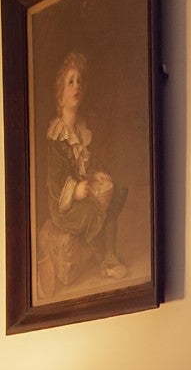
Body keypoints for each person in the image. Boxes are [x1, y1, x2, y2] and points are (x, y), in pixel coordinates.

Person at [38, 50, 130, 293]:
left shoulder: (81, 129)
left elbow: (82, 170)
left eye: (79, 81)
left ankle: (110, 253)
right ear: (60, 97)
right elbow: (57, 182)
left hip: (78, 192)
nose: (76, 86)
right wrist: (76, 190)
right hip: (63, 206)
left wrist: (93, 177)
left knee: (116, 190)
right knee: (93, 209)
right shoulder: (57, 137)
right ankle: (104, 259)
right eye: (70, 82)